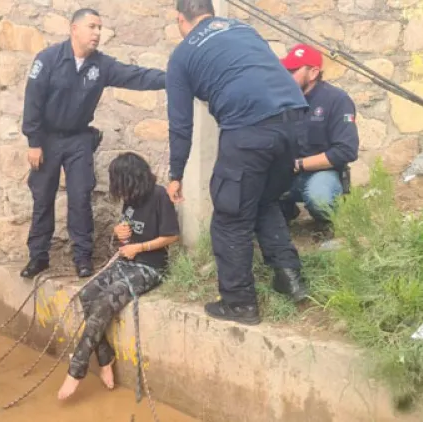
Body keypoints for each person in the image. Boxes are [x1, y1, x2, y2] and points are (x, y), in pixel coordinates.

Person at [164, 0, 310, 326]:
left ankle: (239, 302)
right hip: (294, 123)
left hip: (249, 128)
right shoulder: (243, 29)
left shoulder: (183, 54)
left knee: (230, 216)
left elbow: (180, 124)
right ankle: (290, 278)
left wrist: (176, 174)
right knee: (262, 200)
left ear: (180, 19)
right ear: (210, 13)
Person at [21, 8, 167, 279]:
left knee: (80, 198)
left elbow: (136, 76)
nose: (98, 33)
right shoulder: (48, 59)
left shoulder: (102, 65)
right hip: (47, 139)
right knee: (42, 199)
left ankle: (82, 258)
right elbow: (33, 101)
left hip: (78, 138)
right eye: (92, 27)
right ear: (74, 29)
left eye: (100, 27)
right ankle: (38, 257)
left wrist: (172, 79)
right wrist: (34, 141)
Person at [57, 152, 180, 400]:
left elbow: (172, 236)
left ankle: (77, 368)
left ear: (131, 179)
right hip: (126, 262)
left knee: (106, 300)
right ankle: (105, 357)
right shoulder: (130, 200)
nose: (118, 189)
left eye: (119, 182)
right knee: (87, 294)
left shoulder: (158, 196)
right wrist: (120, 233)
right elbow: (126, 236)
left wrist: (140, 247)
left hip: (150, 267)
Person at [278, 44, 359, 227]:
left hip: (323, 172)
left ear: (313, 73)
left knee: (319, 197)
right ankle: (285, 214)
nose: (286, 76)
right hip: (286, 173)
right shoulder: (283, 101)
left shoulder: (337, 100)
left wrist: (300, 164)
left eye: (292, 71)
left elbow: (346, 151)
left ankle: (328, 224)